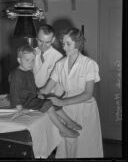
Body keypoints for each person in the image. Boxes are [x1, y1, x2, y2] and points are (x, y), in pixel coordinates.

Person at [40, 28, 103, 158]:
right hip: (68, 110)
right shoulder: (60, 64)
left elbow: (88, 94)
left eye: (68, 44)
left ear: (78, 44)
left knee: (86, 147)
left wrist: (62, 101)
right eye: (63, 43)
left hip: (85, 108)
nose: (64, 47)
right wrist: (27, 92)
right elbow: (46, 89)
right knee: (68, 146)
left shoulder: (89, 64)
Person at [8, 44, 82, 138]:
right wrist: (19, 107)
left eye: (33, 60)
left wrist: (38, 94)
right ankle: (63, 129)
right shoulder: (16, 74)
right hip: (24, 101)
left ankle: (69, 122)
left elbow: (32, 87)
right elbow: (14, 92)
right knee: (48, 105)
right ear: (19, 60)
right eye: (27, 60)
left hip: (31, 98)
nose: (30, 63)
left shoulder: (29, 72)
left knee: (52, 101)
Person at [33, 24, 63, 94]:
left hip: (52, 95)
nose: (43, 46)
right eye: (40, 41)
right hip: (34, 92)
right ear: (36, 38)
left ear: (53, 40)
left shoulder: (58, 58)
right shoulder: (32, 53)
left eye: (47, 42)